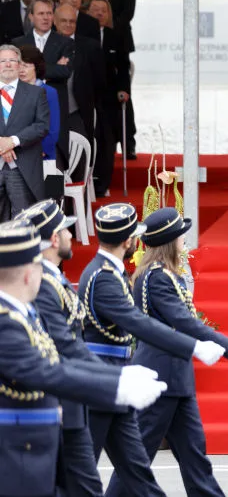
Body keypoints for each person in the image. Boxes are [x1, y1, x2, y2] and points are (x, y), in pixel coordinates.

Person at [0, 219, 167, 497]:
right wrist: (116, 385)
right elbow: (45, 371)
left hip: (35, 448)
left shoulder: (20, 314)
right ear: (30, 273)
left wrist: (117, 377)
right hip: (18, 453)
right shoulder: (6, 321)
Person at [78, 202, 227, 496]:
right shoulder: (119, 275)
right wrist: (199, 346)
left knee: (148, 465)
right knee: (90, 470)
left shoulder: (122, 271)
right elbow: (146, 325)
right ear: (128, 239)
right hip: (131, 376)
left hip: (153, 374)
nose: (185, 239)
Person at [18, 198, 107, 496]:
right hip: (59, 403)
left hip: (69, 401)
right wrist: (112, 379)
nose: (72, 235)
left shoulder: (52, 278)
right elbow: (64, 343)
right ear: (54, 238)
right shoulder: (42, 283)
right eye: (66, 230)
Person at [13, 0, 72, 165]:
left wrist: (36, 70)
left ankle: (55, 190)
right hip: (22, 114)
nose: (46, 17)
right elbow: (10, 72)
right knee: (22, 181)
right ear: (31, 16)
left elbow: (65, 71)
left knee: (53, 174)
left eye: (49, 13)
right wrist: (53, 66)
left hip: (55, 109)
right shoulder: (17, 43)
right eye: (41, 13)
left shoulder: (65, 42)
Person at [94, 0, 137, 157]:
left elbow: (128, 12)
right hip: (94, 42)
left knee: (122, 91)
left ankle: (128, 141)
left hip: (118, 42)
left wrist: (109, 31)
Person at [0, 44, 50, 219]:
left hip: (22, 166)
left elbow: (42, 126)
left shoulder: (36, 93)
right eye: (3, 60)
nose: (7, 64)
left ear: (19, 65)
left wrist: (12, 141)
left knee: (22, 220)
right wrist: (2, 145)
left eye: (12, 60)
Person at [87, 0, 130, 197]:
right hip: (87, 95)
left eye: (103, 10)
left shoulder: (116, 36)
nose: (99, 14)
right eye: (95, 9)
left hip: (110, 97)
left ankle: (103, 184)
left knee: (107, 142)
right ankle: (87, 181)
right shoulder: (82, 35)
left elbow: (123, 67)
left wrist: (124, 89)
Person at [53, 2, 105, 162]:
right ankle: (55, 188)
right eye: (64, 21)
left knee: (79, 156)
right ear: (55, 21)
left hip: (78, 113)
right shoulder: (44, 45)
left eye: (72, 21)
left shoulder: (91, 47)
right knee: (52, 159)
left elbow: (100, 82)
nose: (68, 25)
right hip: (50, 114)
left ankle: (78, 187)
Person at [17, 45, 60, 201]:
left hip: (46, 155)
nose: (21, 69)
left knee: (52, 201)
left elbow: (53, 130)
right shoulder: (10, 92)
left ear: (36, 68)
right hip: (18, 154)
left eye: (27, 65)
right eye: (19, 64)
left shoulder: (49, 92)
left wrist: (39, 150)